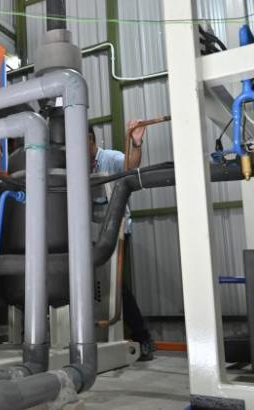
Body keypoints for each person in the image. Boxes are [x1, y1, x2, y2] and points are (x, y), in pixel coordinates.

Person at [89, 120, 156, 362]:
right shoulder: (73, 165)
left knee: (116, 288)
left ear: (89, 140)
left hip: (115, 232)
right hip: (87, 235)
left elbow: (131, 167)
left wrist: (136, 143)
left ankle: (143, 338)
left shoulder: (109, 158)